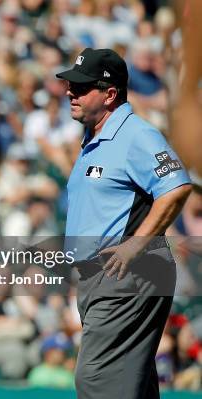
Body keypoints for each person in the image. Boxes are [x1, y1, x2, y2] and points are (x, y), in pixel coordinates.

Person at [57, 48, 192, 399]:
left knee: (97, 382)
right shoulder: (94, 138)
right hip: (103, 277)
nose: (70, 92)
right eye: (71, 85)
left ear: (109, 94)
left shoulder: (136, 135)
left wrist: (137, 242)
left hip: (128, 273)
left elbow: (177, 186)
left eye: (81, 87)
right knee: (131, 384)